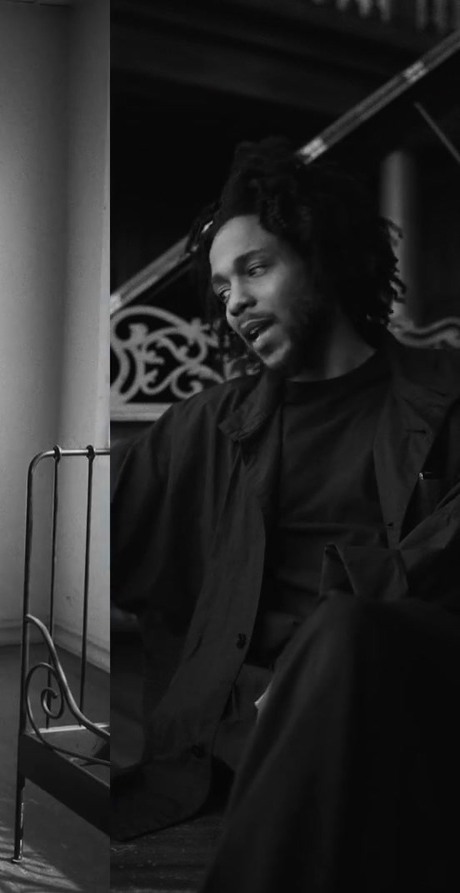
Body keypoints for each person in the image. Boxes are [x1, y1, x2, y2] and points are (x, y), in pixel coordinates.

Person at [111, 138, 460, 891]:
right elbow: (89, 524)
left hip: (409, 722)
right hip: (239, 748)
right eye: (221, 284)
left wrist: (313, 668)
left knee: (345, 628)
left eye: (256, 268)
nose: (233, 300)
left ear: (324, 261)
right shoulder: (208, 425)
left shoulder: (445, 395)